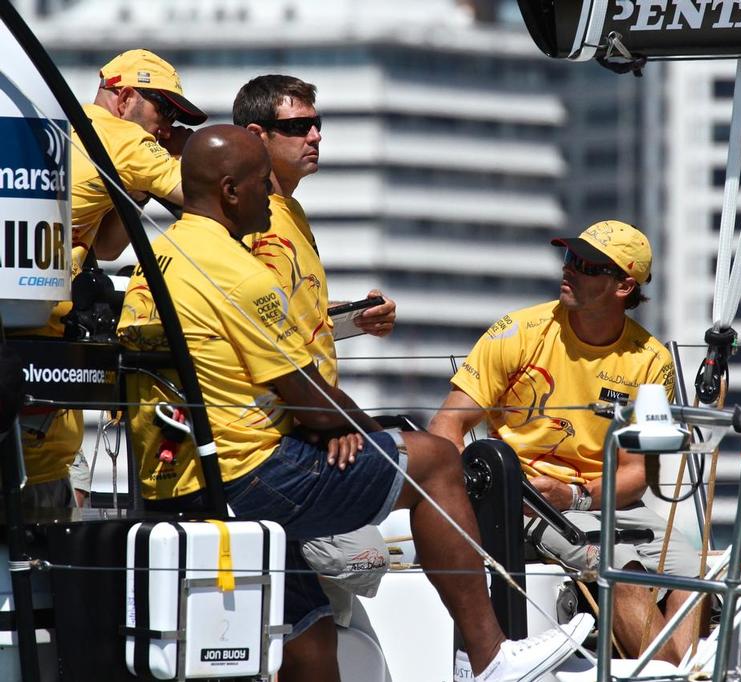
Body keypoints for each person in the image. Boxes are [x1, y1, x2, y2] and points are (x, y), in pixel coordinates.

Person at [117, 125, 591, 682]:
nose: (273, 196)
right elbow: (313, 404)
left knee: (312, 644)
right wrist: (362, 430)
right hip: (250, 477)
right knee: (436, 459)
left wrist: (334, 421)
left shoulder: (159, 257)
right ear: (230, 191)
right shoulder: (239, 272)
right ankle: (488, 660)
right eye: (261, 184)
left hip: (176, 482)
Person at [429, 221, 702, 664]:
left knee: (697, 572)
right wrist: (489, 497)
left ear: (624, 286)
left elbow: (634, 475)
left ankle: (681, 673)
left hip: (598, 502)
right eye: (570, 258)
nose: (569, 270)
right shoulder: (517, 332)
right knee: (624, 571)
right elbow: (445, 427)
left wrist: (575, 497)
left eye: (587, 265)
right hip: (524, 502)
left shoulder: (652, 360)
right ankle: (670, 675)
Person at [232, 74, 395, 636]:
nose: (315, 136)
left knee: (318, 623)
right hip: (285, 436)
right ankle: (484, 656)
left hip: (310, 419)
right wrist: (328, 424)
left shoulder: (290, 214)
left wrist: (349, 322)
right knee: (425, 477)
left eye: (318, 124)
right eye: (298, 127)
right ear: (257, 136)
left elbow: (292, 323)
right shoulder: (255, 224)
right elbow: (257, 339)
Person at [13, 49, 207, 510]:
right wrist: (187, 154)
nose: (168, 126)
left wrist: (137, 187)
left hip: (31, 334)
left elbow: (107, 248)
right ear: (123, 96)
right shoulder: (122, 139)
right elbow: (206, 194)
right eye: (164, 108)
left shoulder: (59, 129)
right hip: (36, 342)